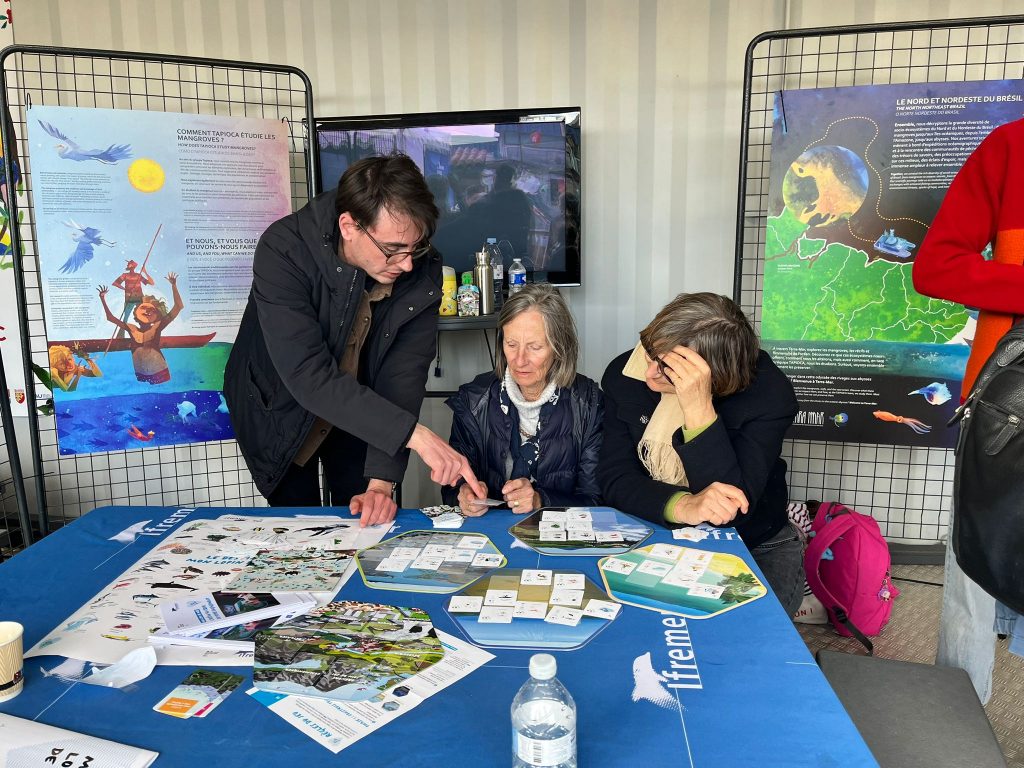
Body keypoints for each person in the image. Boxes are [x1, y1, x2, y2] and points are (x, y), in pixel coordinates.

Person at [224, 154, 483, 527]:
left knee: (364, 517)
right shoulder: (284, 249)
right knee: (301, 528)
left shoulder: (420, 268)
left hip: (362, 409)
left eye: (416, 247)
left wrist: (381, 482)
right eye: (393, 249)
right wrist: (416, 436)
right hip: (278, 408)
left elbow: (402, 378)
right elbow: (307, 374)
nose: (407, 264)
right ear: (349, 226)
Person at [598, 292, 803, 616]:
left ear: (713, 375)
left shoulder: (769, 394)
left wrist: (697, 408)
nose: (649, 374)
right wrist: (684, 505)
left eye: (670, 369)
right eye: (651, 354)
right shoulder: (627, 372)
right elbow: (615, 478)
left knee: (748, 639)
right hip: (652, 530)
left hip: (754, 542)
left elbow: (730, 510)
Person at [912, 117, 1024, 705]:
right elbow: (934, 266)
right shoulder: (1011, 146)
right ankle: (953, 724)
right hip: (1010, 406)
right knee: (973, 576)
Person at [443, 283, 603, 515]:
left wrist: (540, 500)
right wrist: (463, 493)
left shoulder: (588, 404)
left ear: (560, 348)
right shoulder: (474, 400)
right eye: (511, 344)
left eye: (535, 347)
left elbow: (597, 501)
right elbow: (450, 489)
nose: (519, 360)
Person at [97, 272, 183, 384]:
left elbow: (178, 306)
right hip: (140, 374)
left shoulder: (157, 326)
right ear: (136, 312)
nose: (147, 312)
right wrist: (102, 298)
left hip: (159, 370)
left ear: (157, 315)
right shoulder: (131, 328)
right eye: (144, 308)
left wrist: (174, 285)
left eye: (152, 310)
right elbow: (110, 318)